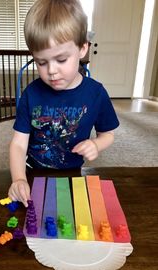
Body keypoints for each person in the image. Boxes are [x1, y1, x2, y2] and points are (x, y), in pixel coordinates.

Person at [8, 0, 119, 207]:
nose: (51, 71)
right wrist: (18, 179)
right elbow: (18, 143)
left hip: (73, 173)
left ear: (82, 48)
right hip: (33, 172)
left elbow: (108, 135)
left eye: (61, 60)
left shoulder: (96, 93)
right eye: (41, 62)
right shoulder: (31, 94)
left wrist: (96, 144)